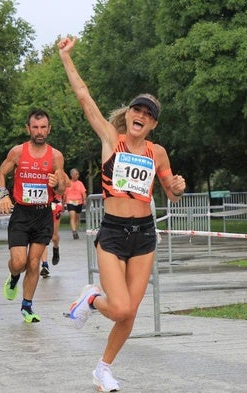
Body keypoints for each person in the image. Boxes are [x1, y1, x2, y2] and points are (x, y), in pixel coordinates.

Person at [59, 37, 186, 392]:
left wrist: (178, 187)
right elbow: (84, 97)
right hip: (113, 233)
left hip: (144, 235)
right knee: (118, 308)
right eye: (137, 111)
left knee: (130, 313)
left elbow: (172, 193)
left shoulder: (157, 152)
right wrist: (66, 57)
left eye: (149, 116)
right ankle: (91, 298)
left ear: (153, 125)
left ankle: (103, 370)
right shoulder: (109, 138)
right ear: (128, 114)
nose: (141, 117)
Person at [0, 109, 68, 323]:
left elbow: (62, 187)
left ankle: (27, 306)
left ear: (49, 129)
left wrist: (58, 184)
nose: (39, 132)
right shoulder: (18, 152)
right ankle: (14, 276)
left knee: (34, 263)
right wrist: (3, 194)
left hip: (43, 214)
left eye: (43, 127)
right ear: (28, 129)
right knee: (19, 262)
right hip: (21, 213)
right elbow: (0, 173)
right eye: (35, 127)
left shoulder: (56, 156)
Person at [39, 193, 65, 278]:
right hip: (41, 204)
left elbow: (64, 188)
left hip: (55, 205)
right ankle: (45, 265)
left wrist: (63, 204)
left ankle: (56, 248)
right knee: (42, 236)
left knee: (54, 236)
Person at [63, 168, 87, 239]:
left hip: (79, 201)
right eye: (75, 174)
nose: (77, 175)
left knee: (77, 217)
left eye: (77, 174)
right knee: (72, 216)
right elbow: (64, 194)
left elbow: (83, 192)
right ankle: (74, 232)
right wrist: (63, 203)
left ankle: (76, 230)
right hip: (70, 201)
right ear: (71, 175)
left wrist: (84, 199)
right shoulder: (68, 183)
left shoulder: (80, 183)